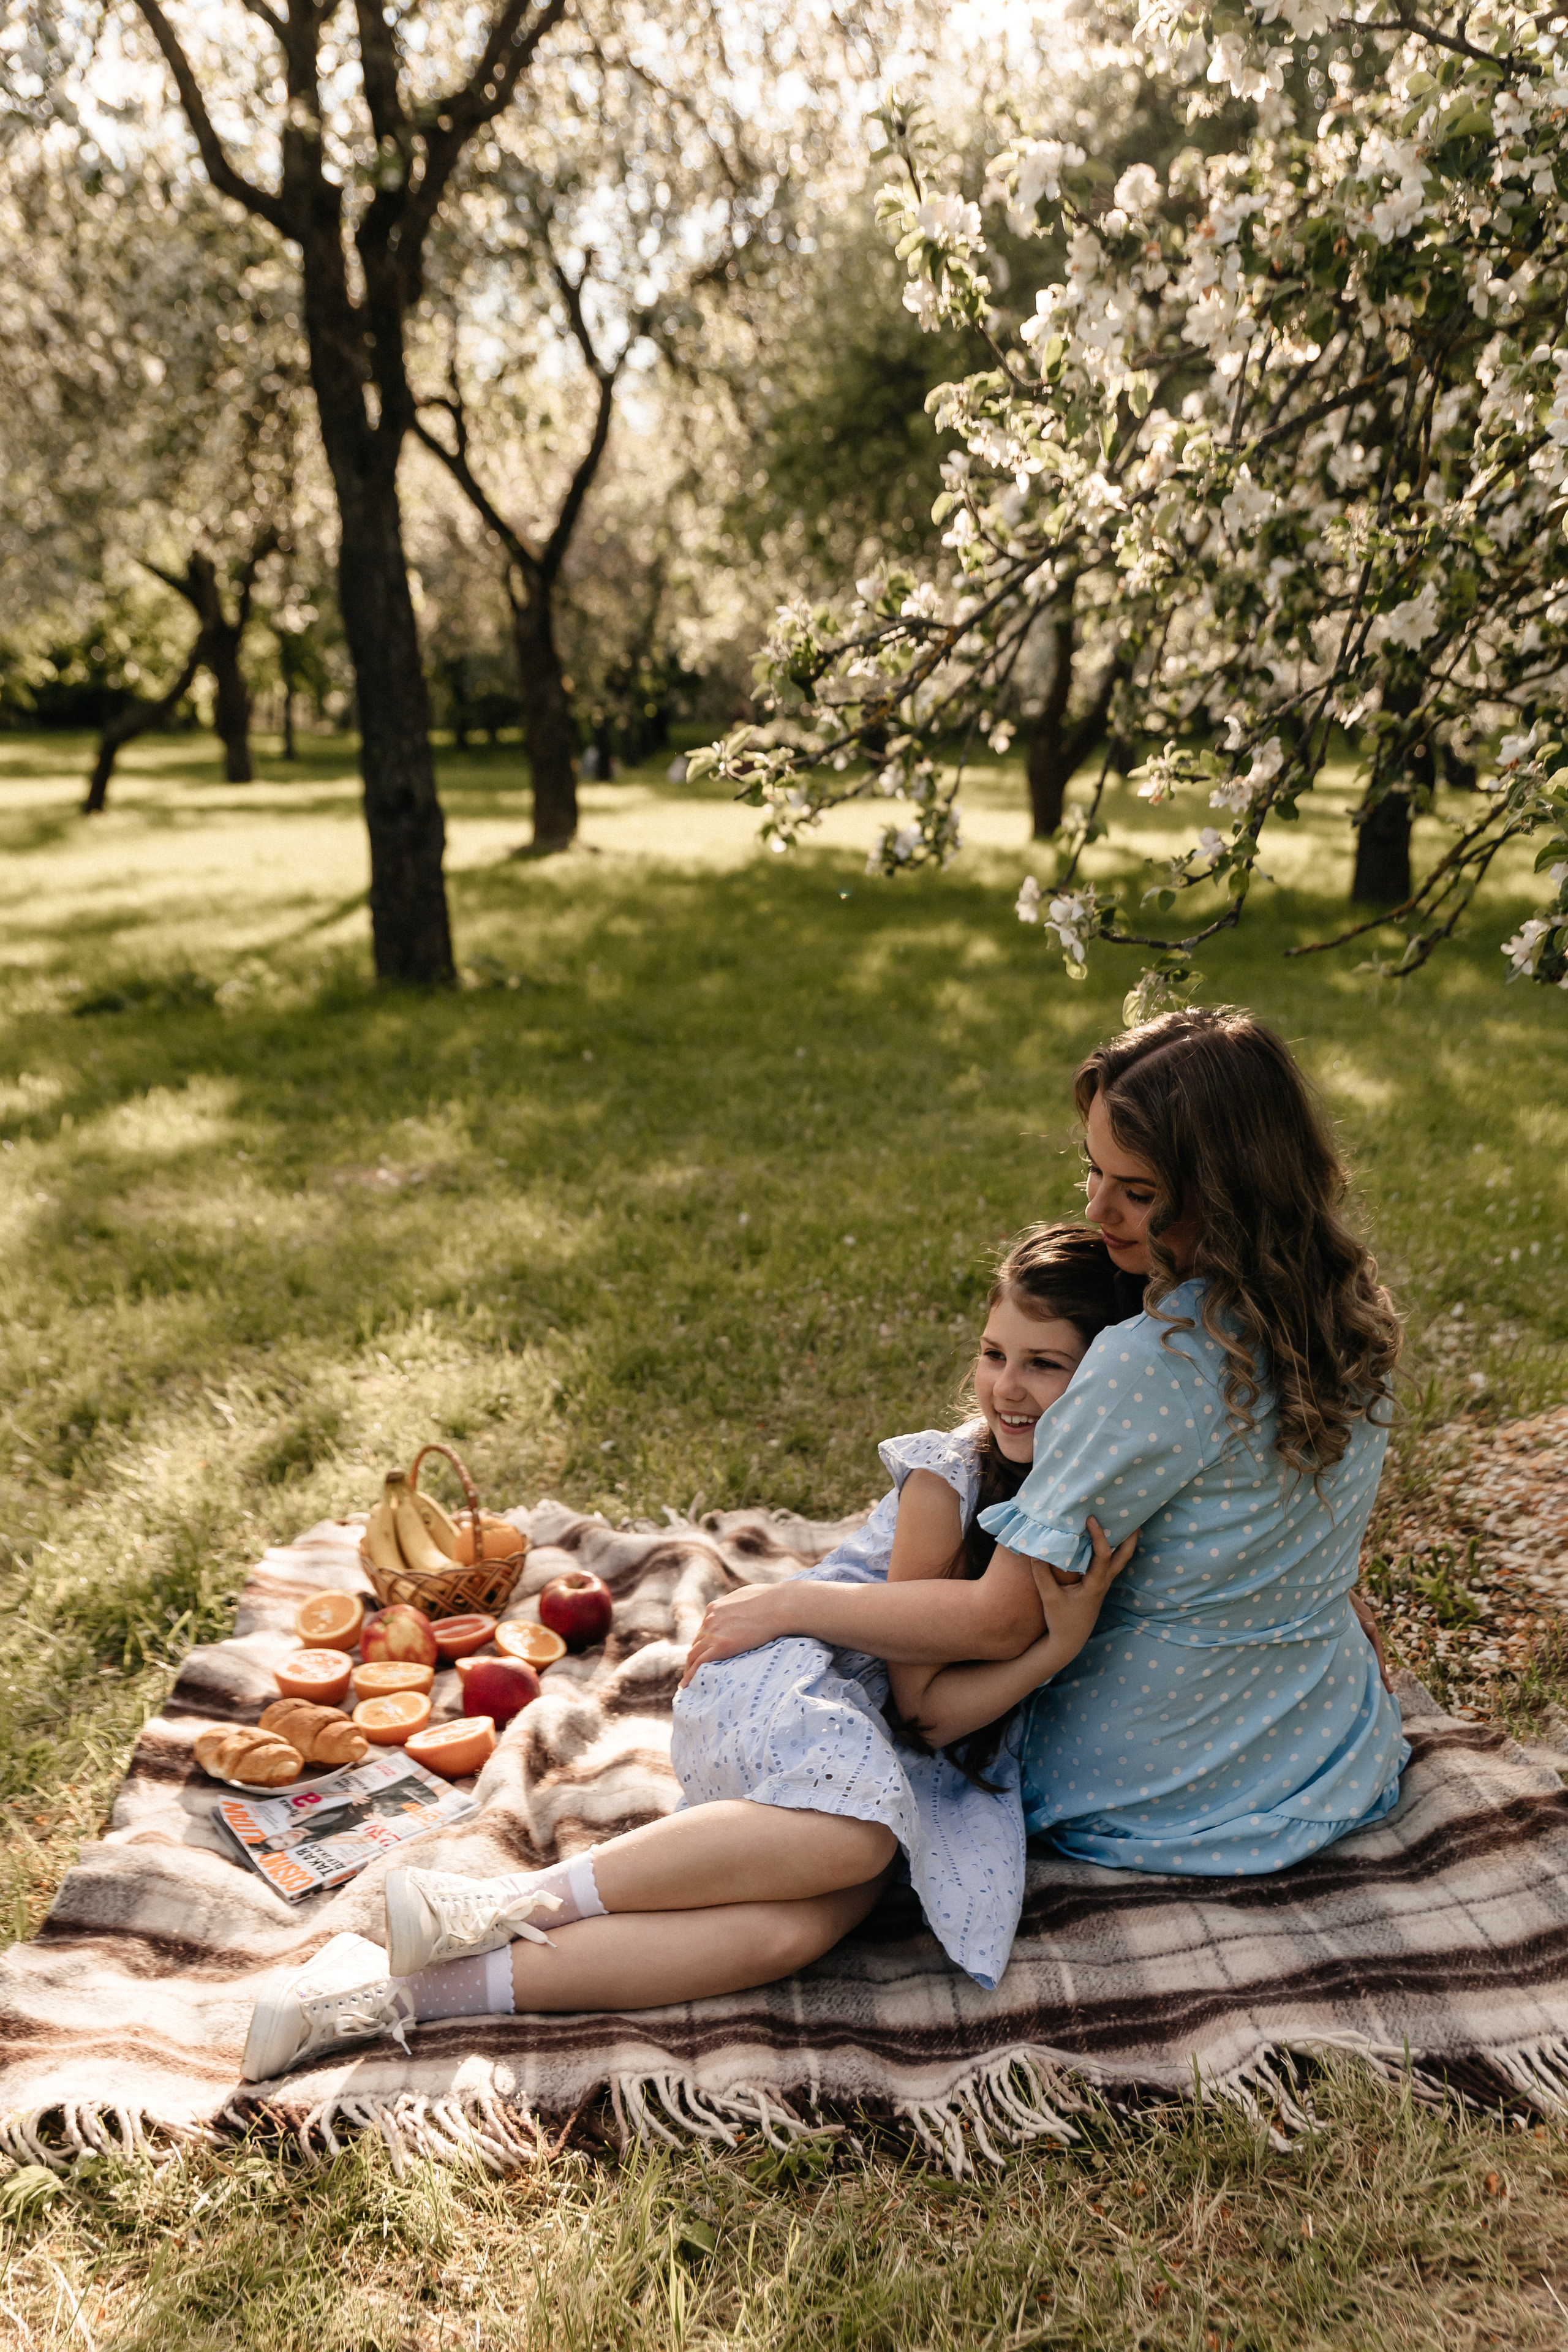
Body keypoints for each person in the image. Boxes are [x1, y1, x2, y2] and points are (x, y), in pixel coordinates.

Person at [241, 1223, 1128, 2079]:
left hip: (875, 1751)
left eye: (1044, 1364)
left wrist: (1062, 1646)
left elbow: (932, 1725)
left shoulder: (1059, 1505)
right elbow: (919, 1697)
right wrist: (1034, 1641)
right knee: (859, 1844)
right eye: (994, 1354)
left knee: (793, 1934)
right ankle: (492, 1904)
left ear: (1103, 1381)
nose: (1008, 1386)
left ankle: (387, 1996)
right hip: (788, 1679)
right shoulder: (952, 1475)